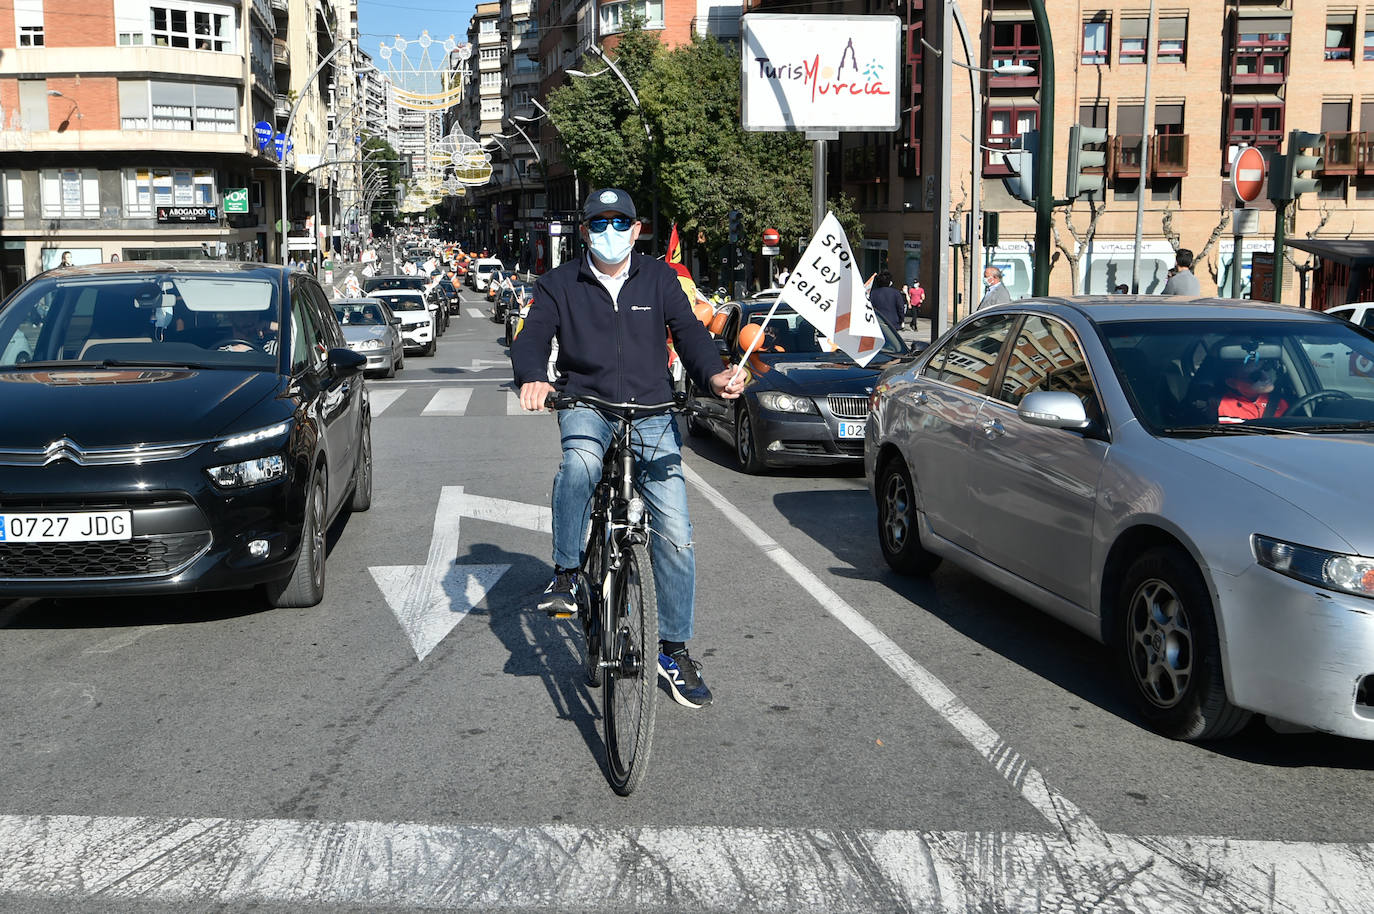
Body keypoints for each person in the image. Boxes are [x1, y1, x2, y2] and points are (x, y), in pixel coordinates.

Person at [512, 188, 745, 710]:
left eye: (621, 224)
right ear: (584, 231)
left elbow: (690, 335)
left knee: (678, 533)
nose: (610, 233)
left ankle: (675, 652)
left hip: (653, 409)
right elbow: (531, 339)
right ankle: (569, 575)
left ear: (638, 231)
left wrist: (715, 375)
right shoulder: (557, 284)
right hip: (585, 403)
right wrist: (533, 378)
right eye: (600, 224)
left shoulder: (661, 280)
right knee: (581, 464)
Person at [1218, 357, 1286, 424]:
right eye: (1255, 376)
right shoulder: (1222, 407)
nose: (1266, 377)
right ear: (1232, 383)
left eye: (1266, 368)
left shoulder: (1283, 400)